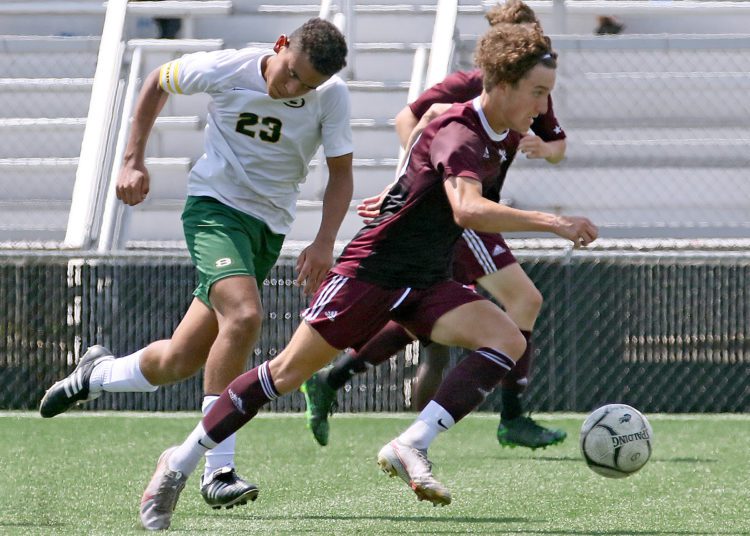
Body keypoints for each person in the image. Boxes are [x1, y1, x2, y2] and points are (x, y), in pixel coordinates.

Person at [137, 22, 597, 530]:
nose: (542, 106)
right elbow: (466, 208)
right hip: (371, 273)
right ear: (504, 84)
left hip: (426, 277)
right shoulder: (461, 130)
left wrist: (404, 190)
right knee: (287, 375)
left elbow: (430, 174)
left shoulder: (503, 133)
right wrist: (555, 222)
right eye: (537, 92)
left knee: (505, 339)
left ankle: (410, 444)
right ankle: (177, 464)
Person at [38, 17, 352, 512]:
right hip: (215, 211)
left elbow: (340, 174)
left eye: (305, 85)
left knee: (180, 360)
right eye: (291, 73)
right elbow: (156, 81)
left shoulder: (332, 96)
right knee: (246, 316)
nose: (291, 88)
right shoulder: (229, 68)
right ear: (281, 45)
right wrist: (132, 160)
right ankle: (217, 467)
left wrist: (324, 239)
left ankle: (94, 376)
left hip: (267, 229)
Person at [302, 0, 568, 450]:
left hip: (473, 210)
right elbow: (410, 119)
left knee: (417, 316)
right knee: (524, 299)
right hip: (461, 213)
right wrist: (420, 180)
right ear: (505, 49)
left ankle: (334, 378)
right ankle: (512, 416)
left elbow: (557, 144)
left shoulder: (534, 90)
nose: (538, 47)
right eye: (529, 39)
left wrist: (547, 150)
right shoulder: (471, 86)